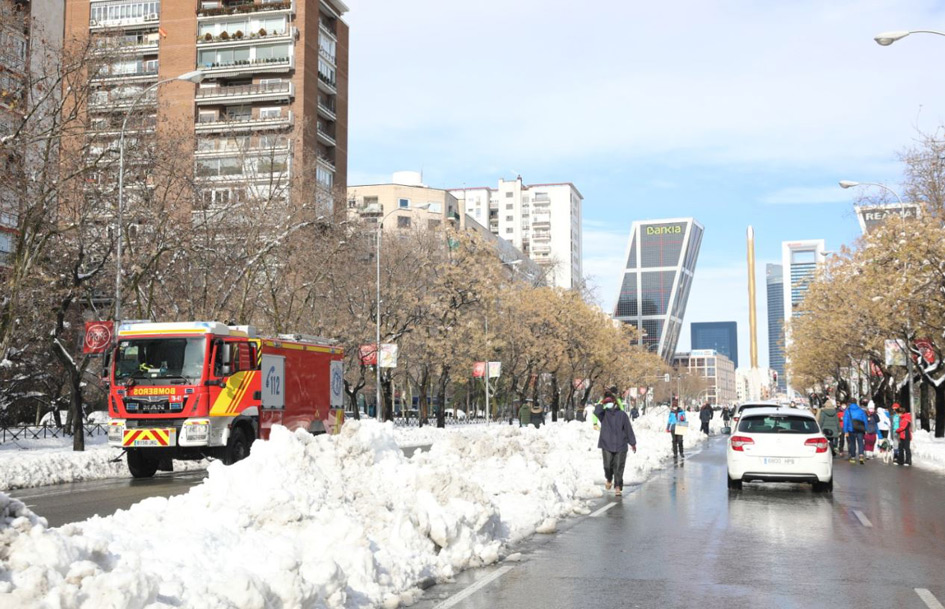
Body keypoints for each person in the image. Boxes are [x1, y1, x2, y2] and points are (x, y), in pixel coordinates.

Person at [595, 393, 637, 496]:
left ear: (614, 402)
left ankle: (618, 486)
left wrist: (632, 443)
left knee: (619, 467)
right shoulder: (603, 414)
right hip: (606, 444)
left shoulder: (622, 414)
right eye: (606, 402)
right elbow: (596, 411)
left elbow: (628, 429)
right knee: (607, 466)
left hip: (620, 445)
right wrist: (601, 402)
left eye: (609, 402)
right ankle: (609, 478)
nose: (608, 404)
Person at [843, 398, 869, 464]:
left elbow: (845, 421)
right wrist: (865, 429)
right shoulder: (861, 410)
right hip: (860, 429)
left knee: (852, 443)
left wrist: (845, 430)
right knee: (860, 443)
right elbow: (865, 420)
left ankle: (853, 457)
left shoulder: (847, 410)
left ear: (850, 403)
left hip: (851, 429)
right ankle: (861, 456)